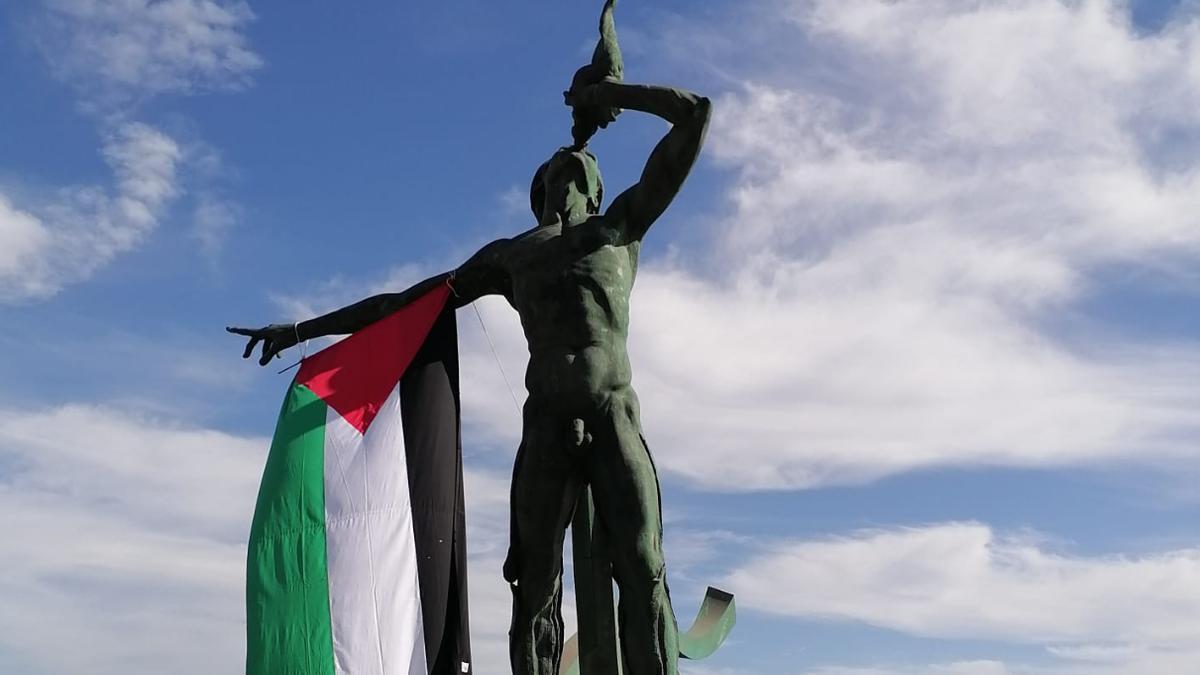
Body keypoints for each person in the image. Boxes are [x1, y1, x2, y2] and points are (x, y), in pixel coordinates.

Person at [230, 76, 710, 675]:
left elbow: (693, 117)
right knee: (532, 584)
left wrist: (612, 89)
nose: (570, 173)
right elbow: (404, 304)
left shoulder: (619, 230)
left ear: (597, 186)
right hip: (547, 423)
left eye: (579, 169)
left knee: (642, 567)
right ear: (539, 193)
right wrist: (305, 329)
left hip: (613, 413)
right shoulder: (514, 255)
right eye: (558, 171)